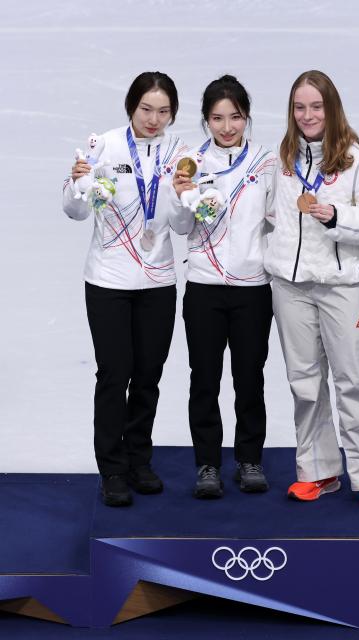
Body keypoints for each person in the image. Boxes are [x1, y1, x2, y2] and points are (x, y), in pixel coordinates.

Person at [265, 70, 359, 508]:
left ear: (332, 108)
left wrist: (336, 215)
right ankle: (318, 471)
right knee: (304, 382)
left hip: (341, 287)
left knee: (353, 380)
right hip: (291, 286)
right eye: (299, 107)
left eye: (316, 107)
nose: (307, 115)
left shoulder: (357, 162)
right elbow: (269, 217)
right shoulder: (282, 160)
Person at [62, 71, 188, 507]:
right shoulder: (106, 147)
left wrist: (184, 196)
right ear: (131, 107)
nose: (154, 119)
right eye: (145, 109)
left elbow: (184, 225)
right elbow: (74, 210)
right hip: (109, 280)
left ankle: (139, 460)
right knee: (115, 375)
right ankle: (112, 468)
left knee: (148, 376)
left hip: (158, 280)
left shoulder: (180, 154)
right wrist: (79, 182)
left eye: (164, 111)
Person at [172, 75, 276, 499]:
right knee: (205, 378)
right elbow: (181, 226)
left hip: (253, 287)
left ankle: (249, 459)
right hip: (204, 286)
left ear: (246, 117)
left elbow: (275, 219)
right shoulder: (189, 161)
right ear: (206, 120)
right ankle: (208, 464)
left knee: (250, 376)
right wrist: (181, 195)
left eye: (235, 117)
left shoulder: (266, 162)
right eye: (217, 118)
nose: (227, 127)